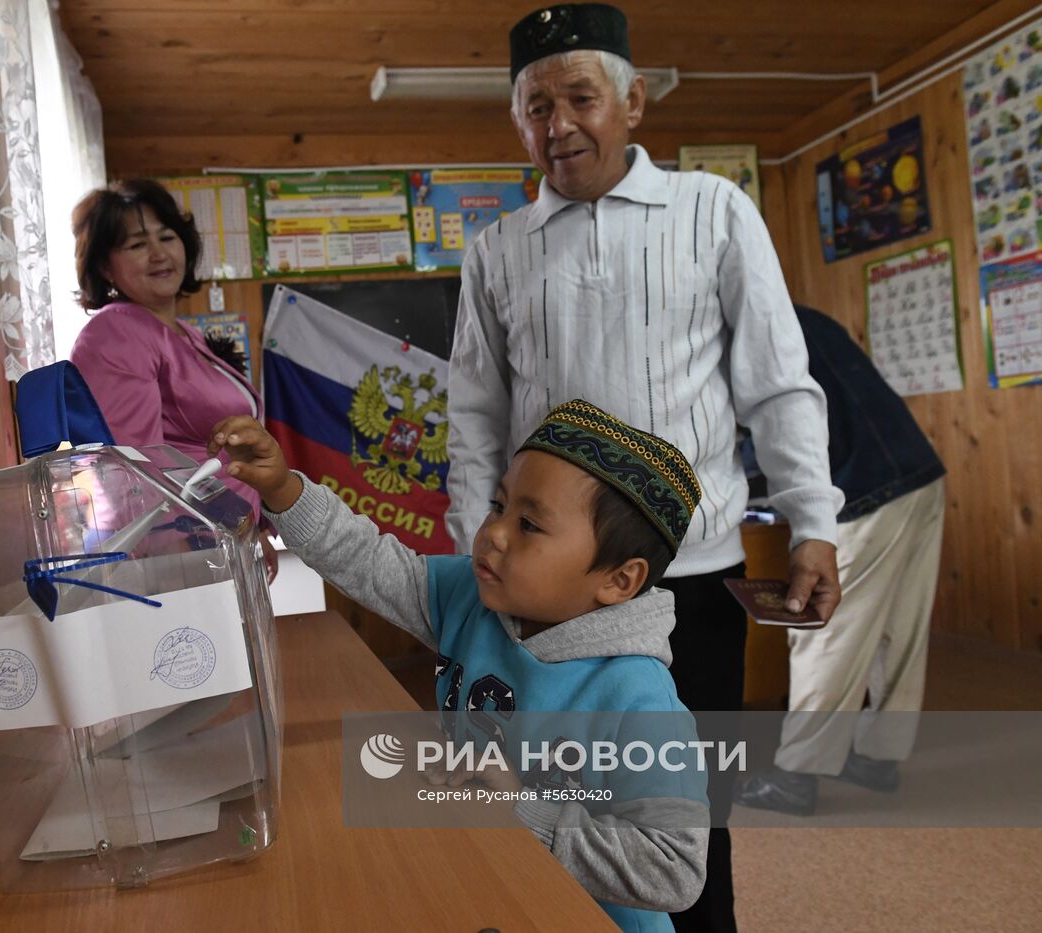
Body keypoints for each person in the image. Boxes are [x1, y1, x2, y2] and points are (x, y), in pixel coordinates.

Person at [444, 6, 845, 930]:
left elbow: (779, 383)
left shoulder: (715, 211)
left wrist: (813, 521)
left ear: (633, 101)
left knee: (693, 807)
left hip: (694, 576)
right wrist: (481, 545)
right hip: (552, 584)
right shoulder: (496, 250)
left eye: (580, 98)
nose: (558, 126)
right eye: (535, 107)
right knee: (543, 792)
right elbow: (474, 413)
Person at [209, 400, 710, 933]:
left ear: (618, 580)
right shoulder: (472, 596)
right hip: (493, 880)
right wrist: (284, 490)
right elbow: (369, 560)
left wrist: (522, 810)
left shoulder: (639, 698)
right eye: (499, 507)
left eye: (530, 525)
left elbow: (674, 869)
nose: (493, 532)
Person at [734, 305, 947, 815]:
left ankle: (796, 775)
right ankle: (877, 757)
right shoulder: (803, 316)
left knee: (825, 630)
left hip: (859, 488)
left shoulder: (746, 333)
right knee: (899, 631)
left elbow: (771, 431)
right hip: (918, 472)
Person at [69, 179, 276, 578]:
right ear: (104, 265)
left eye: (167, 236)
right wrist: (180, 552)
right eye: (137, 244)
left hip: (224, 541)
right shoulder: (117, 332)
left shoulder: (184, 333)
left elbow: (217, 452)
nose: (159, 253)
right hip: (183, 552)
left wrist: (256, 526)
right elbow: (129, 467)